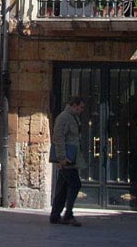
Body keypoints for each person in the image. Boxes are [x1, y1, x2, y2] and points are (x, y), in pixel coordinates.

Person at [49, 96, 85, 227]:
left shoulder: (73, 117)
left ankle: (55, 215)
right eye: (81, 107)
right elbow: (58, 137)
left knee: (62, 187)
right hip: (67, 160)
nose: (82, 110)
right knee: (75, 184)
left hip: (71, 158)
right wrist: (62, 157)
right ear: (74, 105)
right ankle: (68, 215)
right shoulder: (64, 117)